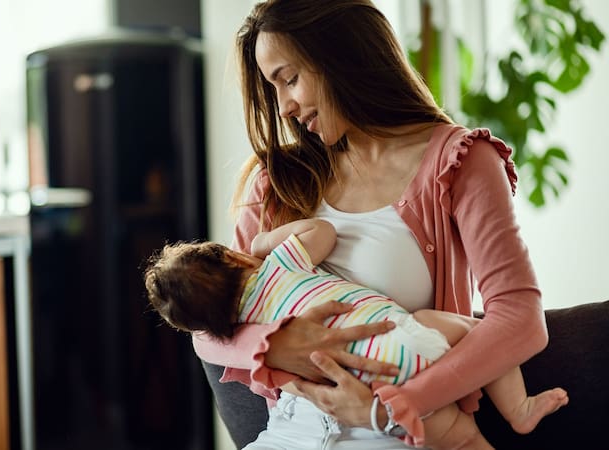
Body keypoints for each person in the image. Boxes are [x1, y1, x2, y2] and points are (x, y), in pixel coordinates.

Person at [193, 0, 559, 448]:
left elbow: (520, 318)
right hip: (292, 432)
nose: (284, 106)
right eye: (273, 89)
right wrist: (276, 345)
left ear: (342, 54)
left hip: (399, 431)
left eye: (290, 79)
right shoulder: (277, 183)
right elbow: (207, 332)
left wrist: (394, 406)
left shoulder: (460, 163)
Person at [146, 218, 567, 449]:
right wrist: (266, 240)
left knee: (460, 439)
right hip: (401, 343)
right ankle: (519, 409)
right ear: (235, 258)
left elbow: (210, 343)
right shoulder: (278, 264)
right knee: (470, 328)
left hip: (362, 386)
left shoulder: (246, 330)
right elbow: (323, 233)